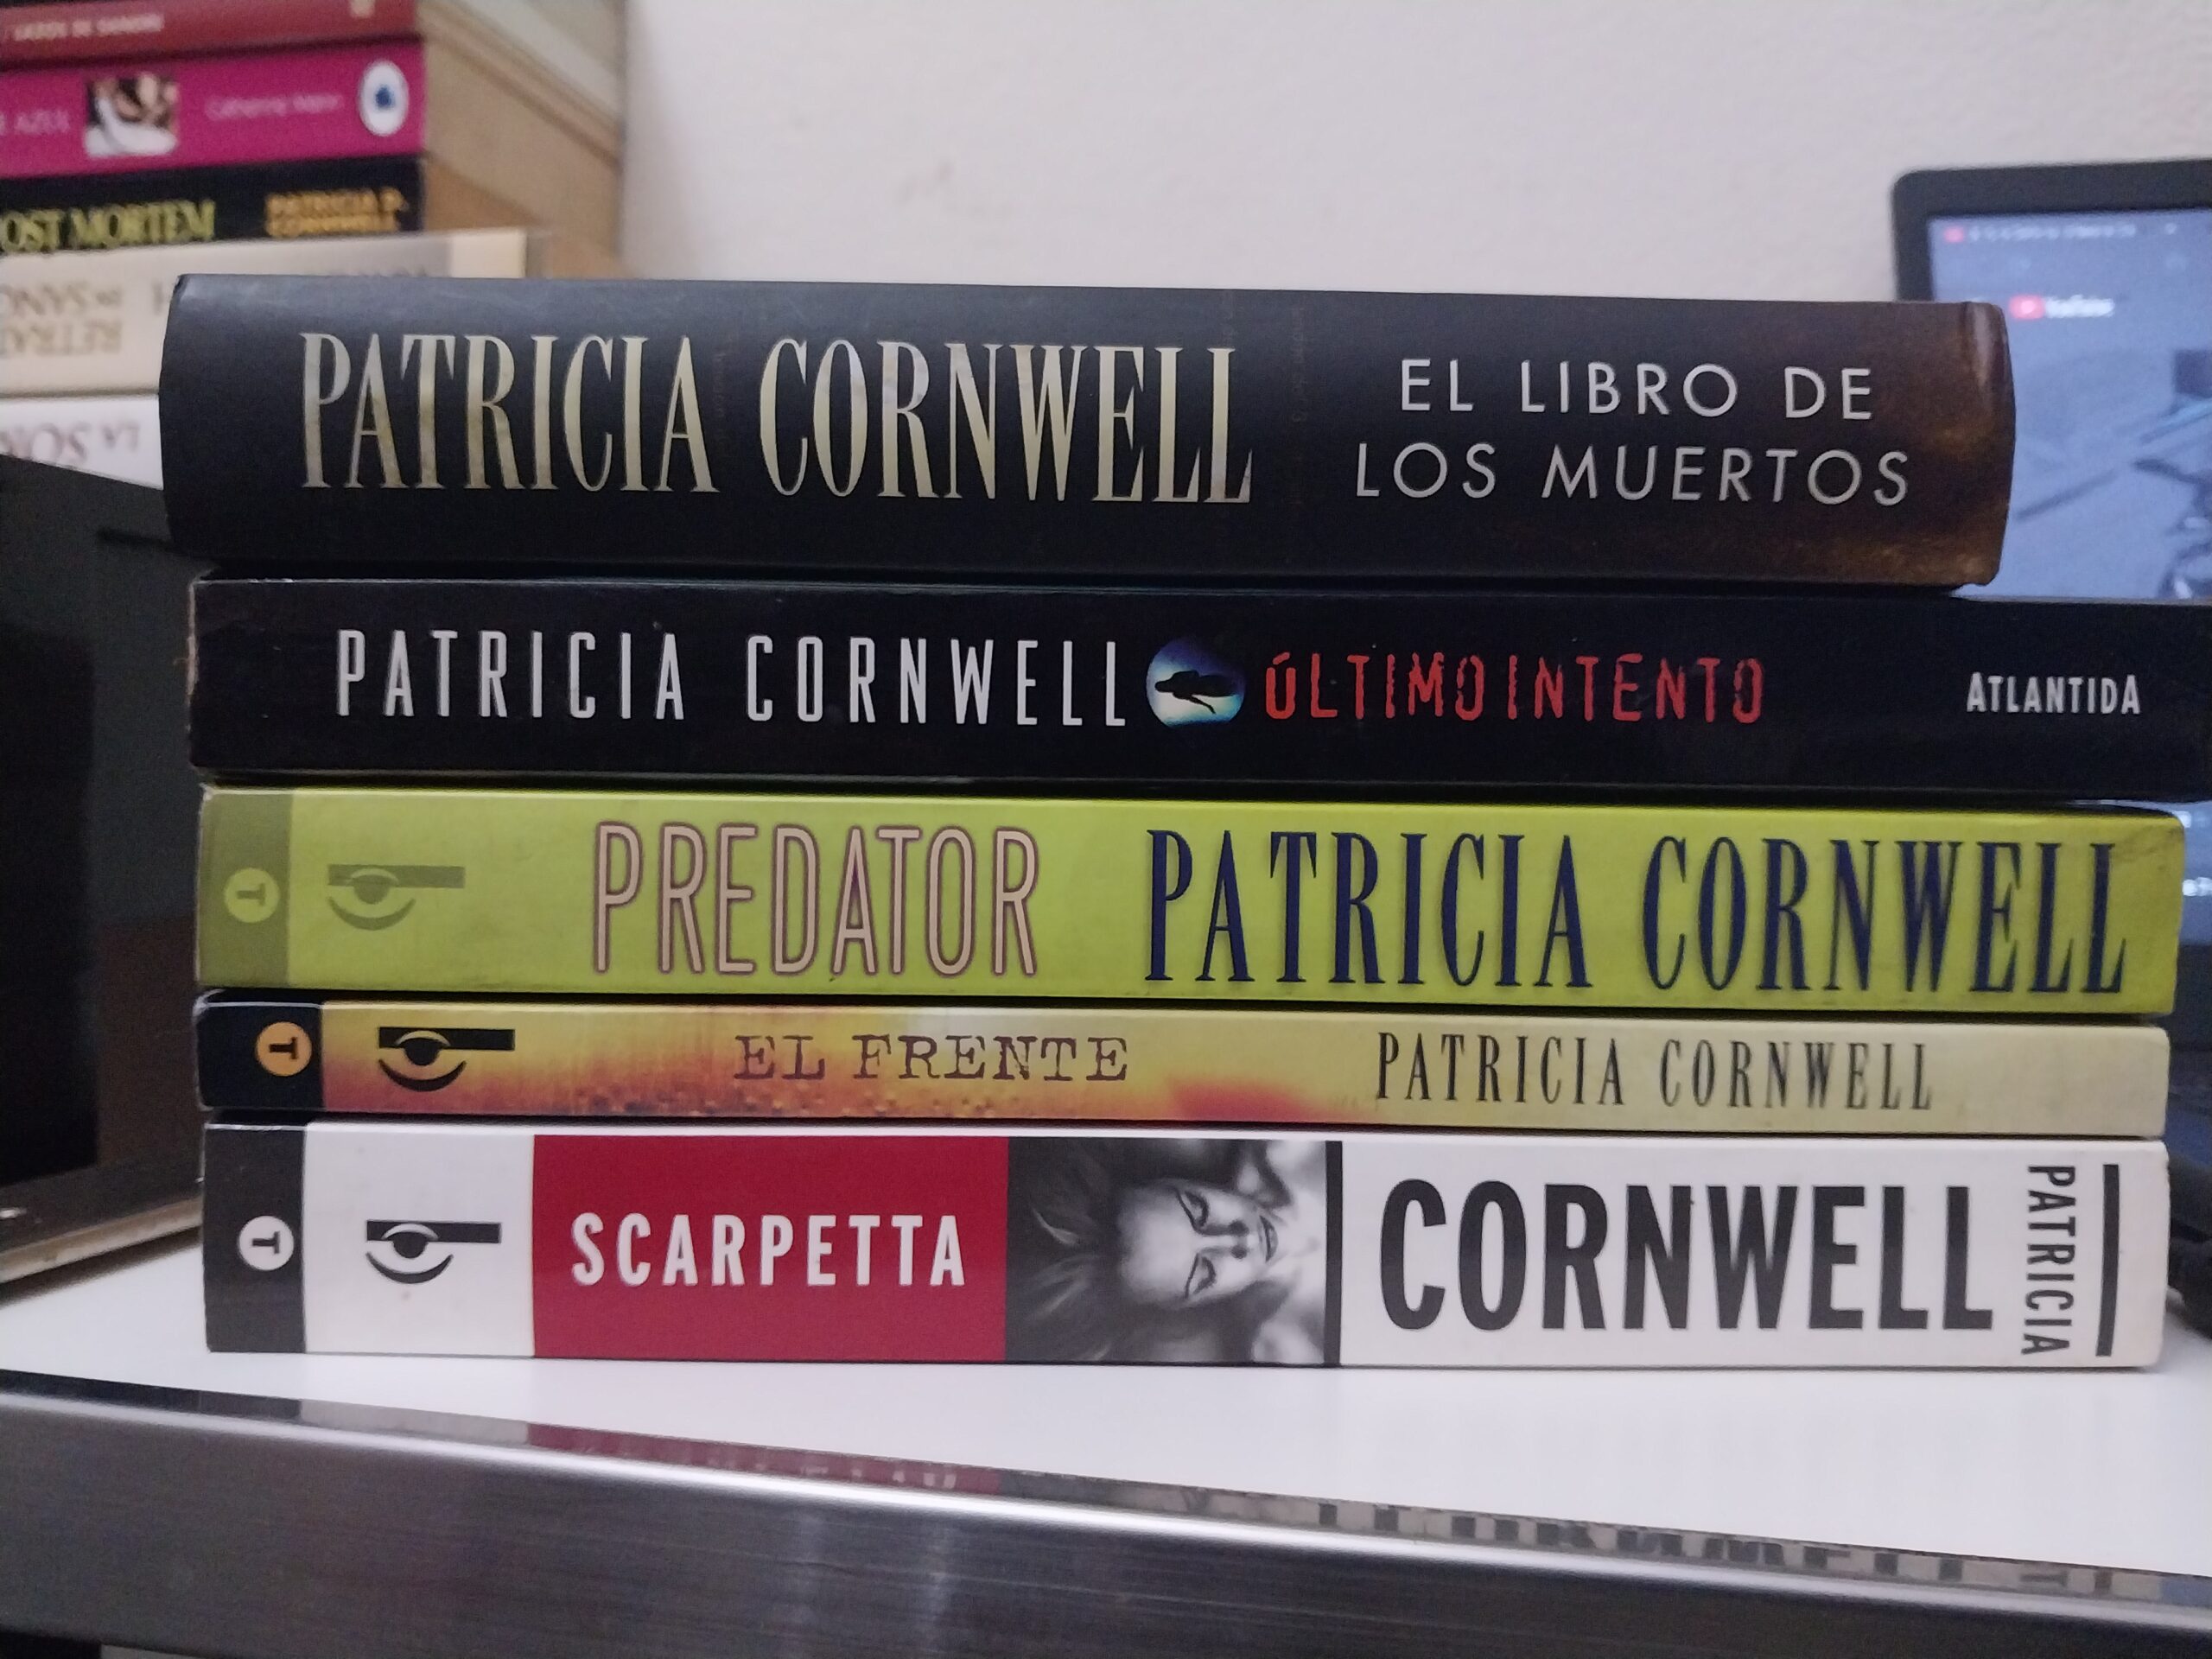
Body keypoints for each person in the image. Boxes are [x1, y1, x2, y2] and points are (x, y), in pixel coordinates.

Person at [1006, 1137, 1328, 1363]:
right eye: (1206, 1274)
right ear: (1192, 1306)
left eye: (1199, 1210)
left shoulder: (1287, 1143)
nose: (1237, 1240)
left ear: (1185, 1182)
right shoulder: (1289, 1351)